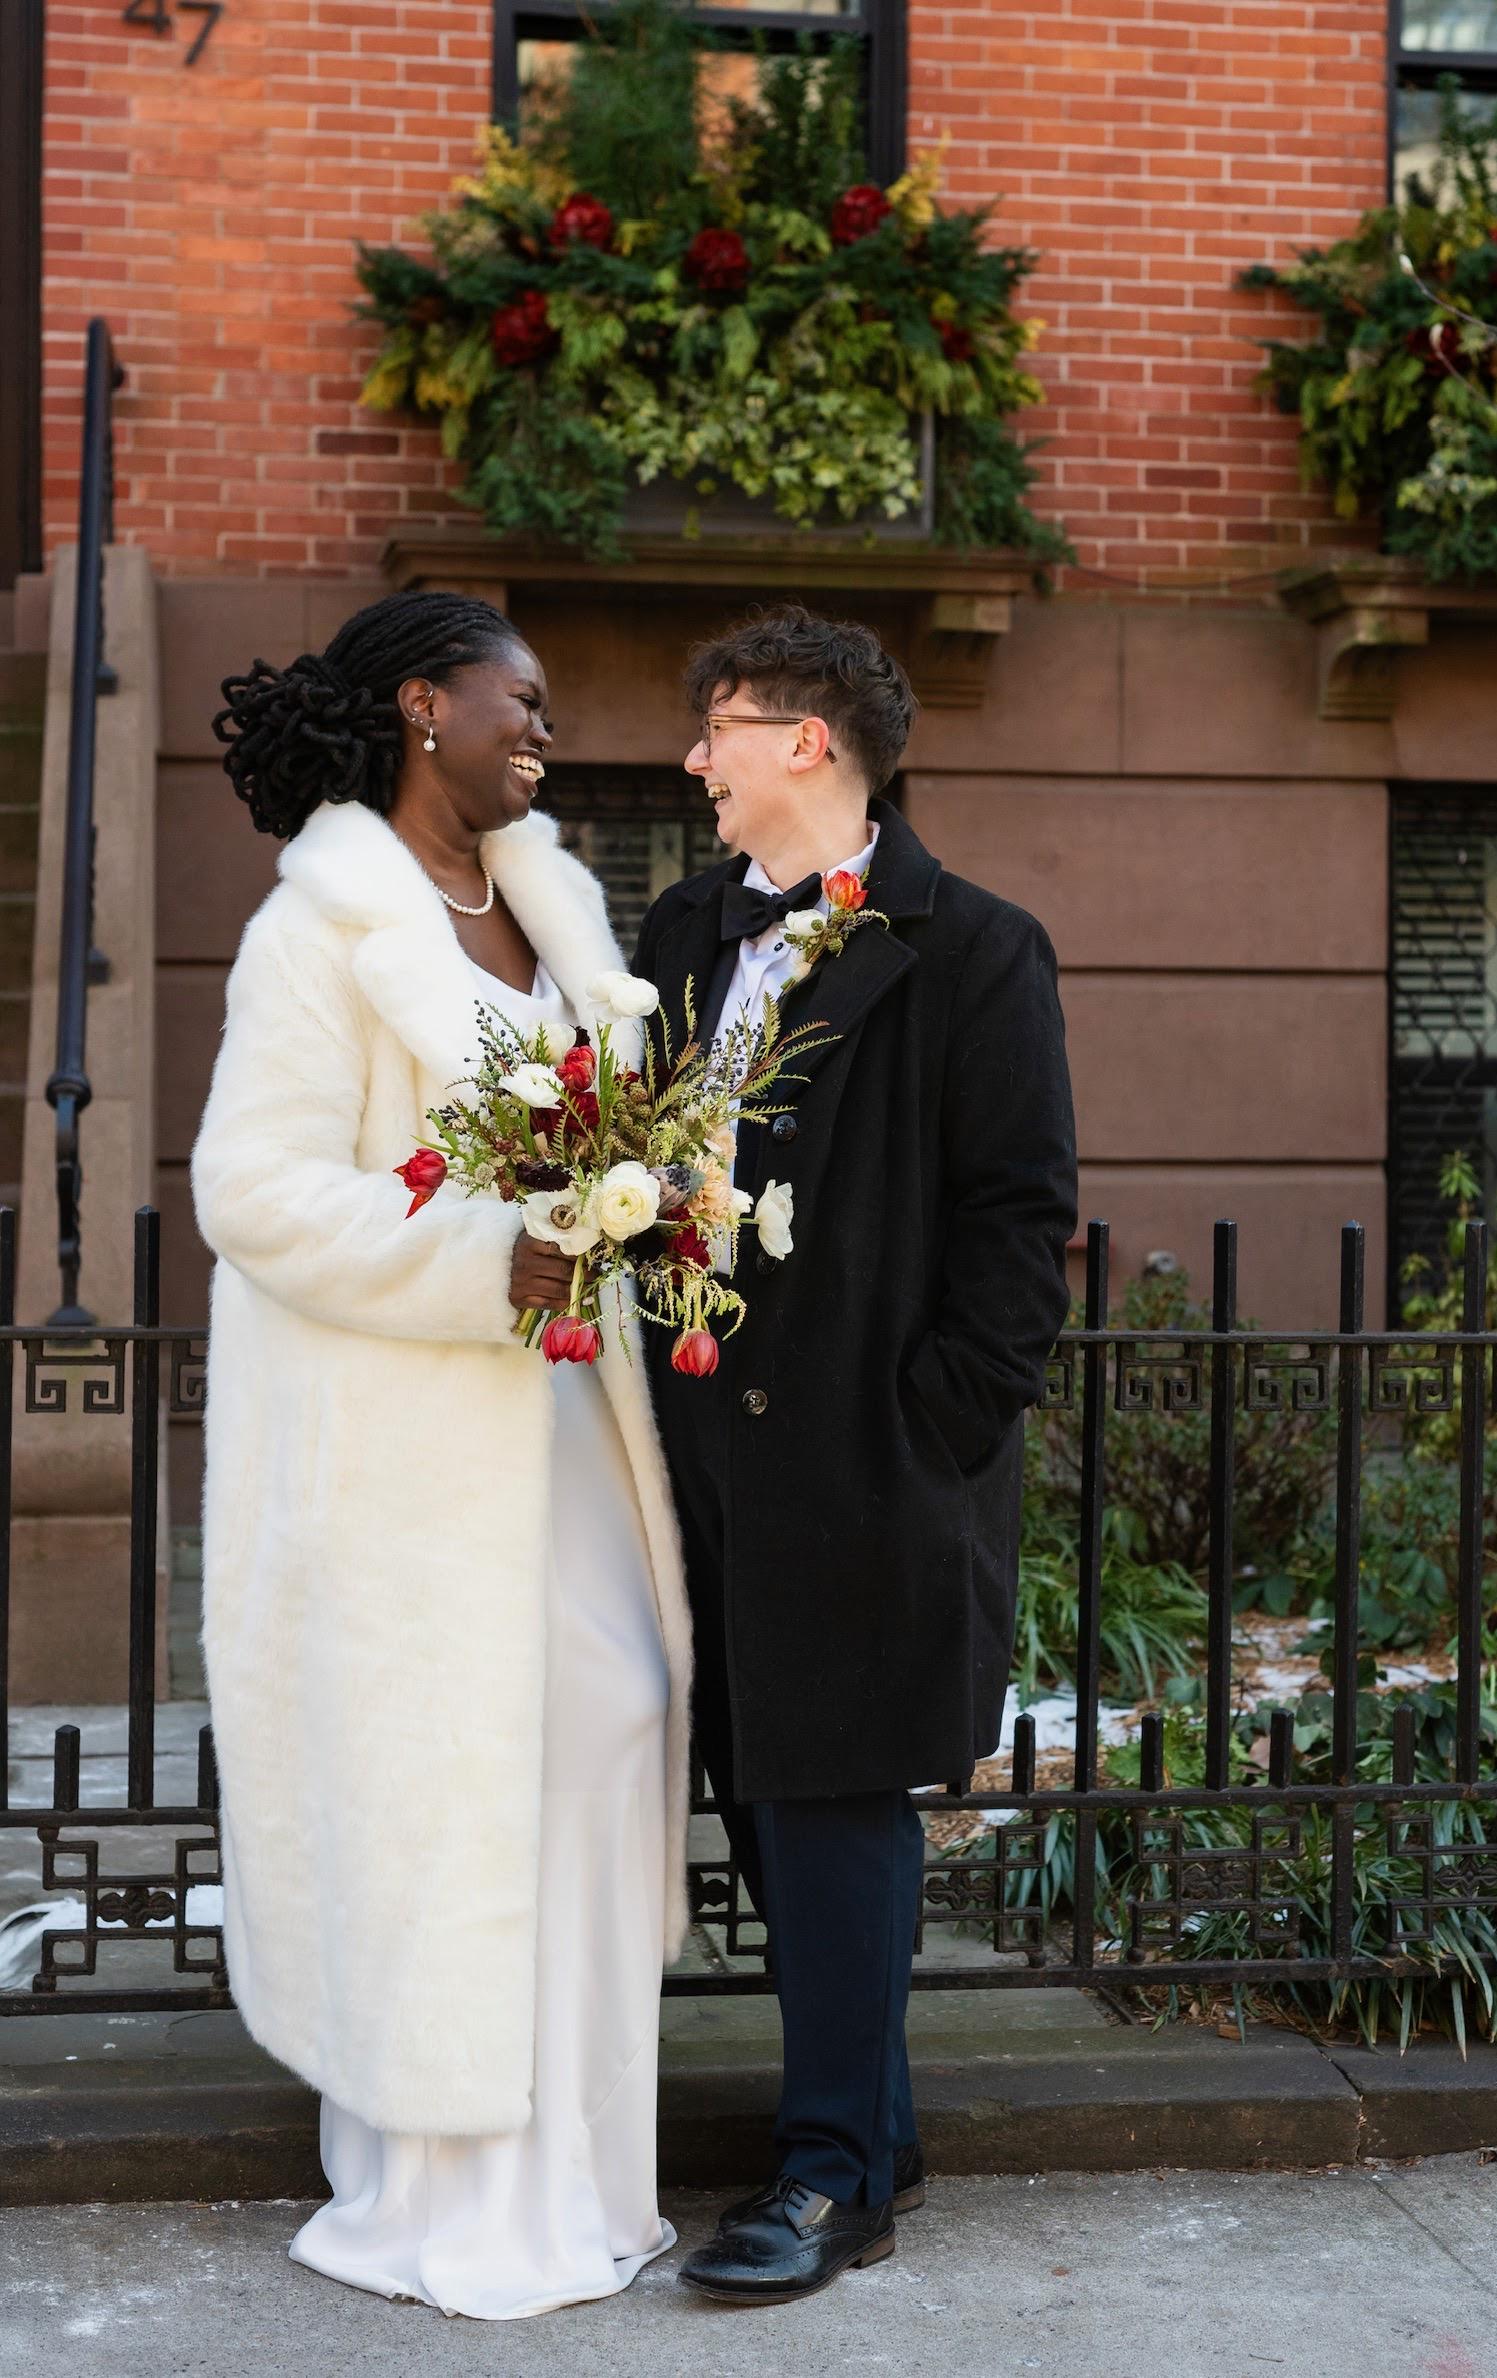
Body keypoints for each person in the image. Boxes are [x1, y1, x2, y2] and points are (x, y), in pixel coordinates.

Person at [191, 590, 692, 2322]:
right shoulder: (319, 929)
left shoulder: (550, 909)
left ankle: (580, 2174)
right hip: (403, 1451)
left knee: (611, 1717)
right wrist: (485, 1260)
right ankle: (454, 2199)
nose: (542, 730)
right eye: (518, 699)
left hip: (559, 1415)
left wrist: (651, 1200)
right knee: (464, 1785)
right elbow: (251, 1188)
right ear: (423, 703)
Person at [633, 602, 1077, 2306]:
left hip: (868, 1464)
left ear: (804, 742)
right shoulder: (684, 928)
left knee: (832, 1805)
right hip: (699, 1457)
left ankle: (829, 2178)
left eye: (719, 729)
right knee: (762, 1791)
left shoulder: (977, 949)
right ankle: (874, 2134)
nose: (696, 760)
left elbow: (1018, 1223)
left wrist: (928, 1428)